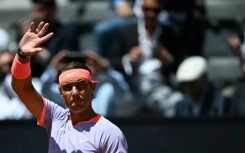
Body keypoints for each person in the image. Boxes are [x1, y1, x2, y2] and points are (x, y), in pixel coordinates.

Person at [11, 21, 128, 152]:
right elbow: (22, 88)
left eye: (81, 86)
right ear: (61, 92)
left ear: (93, 88)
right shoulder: (56, 118)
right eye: (68, 87)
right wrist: (22, 57)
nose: (74, 92)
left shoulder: (109, 133)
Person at [107, 0, 184, 116]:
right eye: (147, 10)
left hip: (159, 89)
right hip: (132, 89)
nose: (151, 14)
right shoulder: (126, 32)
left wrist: (167, 60)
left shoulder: (169, 34)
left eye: (155, 11)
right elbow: (112, 61)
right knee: (109, 100)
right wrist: (128, 59)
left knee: (179, 104)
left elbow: (180, 64)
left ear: (161, 12)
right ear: (141, 9)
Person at [15, 0, 79, 77]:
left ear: (52, 11)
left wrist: (35, 48)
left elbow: (65, 65)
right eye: (34, 11)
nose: (35, 16)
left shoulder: (67, 33)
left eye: (40, 10)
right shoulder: (29, 33)